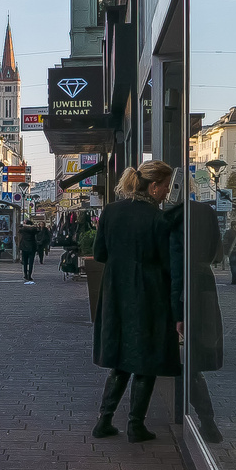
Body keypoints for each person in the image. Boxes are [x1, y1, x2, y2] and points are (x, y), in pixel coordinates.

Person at [89, 160, 180, 442]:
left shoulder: (111, 212)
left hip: (116, 293)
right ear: (153, 186)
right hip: (149, 295)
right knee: (145, 360)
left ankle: (103, 421)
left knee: (120, 359)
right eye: (165, 186)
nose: (167, 192)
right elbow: (170, 266)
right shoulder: (159, 219)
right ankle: (135, 424)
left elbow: (100, 253)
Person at [173, 183, 224, 444]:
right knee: (193, 357)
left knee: (179, 358)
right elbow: (217, 251)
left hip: (177, 285)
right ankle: (207, 421)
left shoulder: (169, 215)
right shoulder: (206, 212)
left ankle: (189, 416)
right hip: (203, 283)